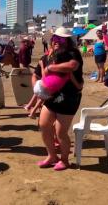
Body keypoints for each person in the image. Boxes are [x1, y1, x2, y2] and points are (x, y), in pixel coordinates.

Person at [37, 27, 84, 171]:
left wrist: (51, 68)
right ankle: (52, 156)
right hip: (53, 95)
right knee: (44, 125)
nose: (57, 41)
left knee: (60, 132)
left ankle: (65, 160)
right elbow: (40, 75)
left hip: (69, 96)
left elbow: (72, 65)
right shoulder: (51, 54)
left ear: (67, 41)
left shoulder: (73, 53)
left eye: (61, 39)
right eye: (55, 39)